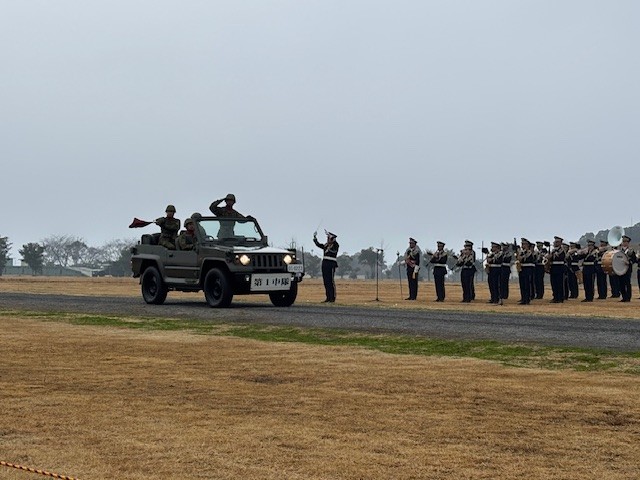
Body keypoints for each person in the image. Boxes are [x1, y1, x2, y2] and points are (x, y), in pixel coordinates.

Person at [313, 230, 339, 303]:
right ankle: (328, 297)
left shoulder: (335, 245)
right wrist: (315, 238)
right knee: (326, 281)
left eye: (329, 238)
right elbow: (318, 245)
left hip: (331, 264)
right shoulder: (326, 245)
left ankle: (332, 298)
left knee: (330, 281)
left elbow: (333, 251)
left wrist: (332, 241)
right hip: (325, 264)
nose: (327, 239)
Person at [516, 238, 536, 305]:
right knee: (522, 284)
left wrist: (519, 256)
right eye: (522, 244)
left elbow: (522, 258)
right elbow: (518, 258)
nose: (522, 245)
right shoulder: (521, 252)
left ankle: (527, 299)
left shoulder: (529, 252)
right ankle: (523, 298)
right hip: (522, 269)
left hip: (528, 269)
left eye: (523, 244)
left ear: (527, 245)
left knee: (527, 284)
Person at [618, 235, 636, 302]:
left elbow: (634, 260)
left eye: (626, 242)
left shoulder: (631, 251)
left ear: (628, 243)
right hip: (620, 269)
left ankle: (628, 297)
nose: (624, 243)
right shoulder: (619, 251)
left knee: (627, 283)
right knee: (621, 283)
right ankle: (624, 297)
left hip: (628, 269)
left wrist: (629, 262)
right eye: (623, 241)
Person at [548, 236, 566, 303]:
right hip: (553, 268)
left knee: (560, 284)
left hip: (560, 268)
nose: (555, 243)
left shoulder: (562, 250)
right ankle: (555, 297)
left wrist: (552, 255)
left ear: (560, 243)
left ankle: (560, 298)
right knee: (554, 283)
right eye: (555, 242)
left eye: (557, 242)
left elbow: (560, 257)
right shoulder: (553, 250)